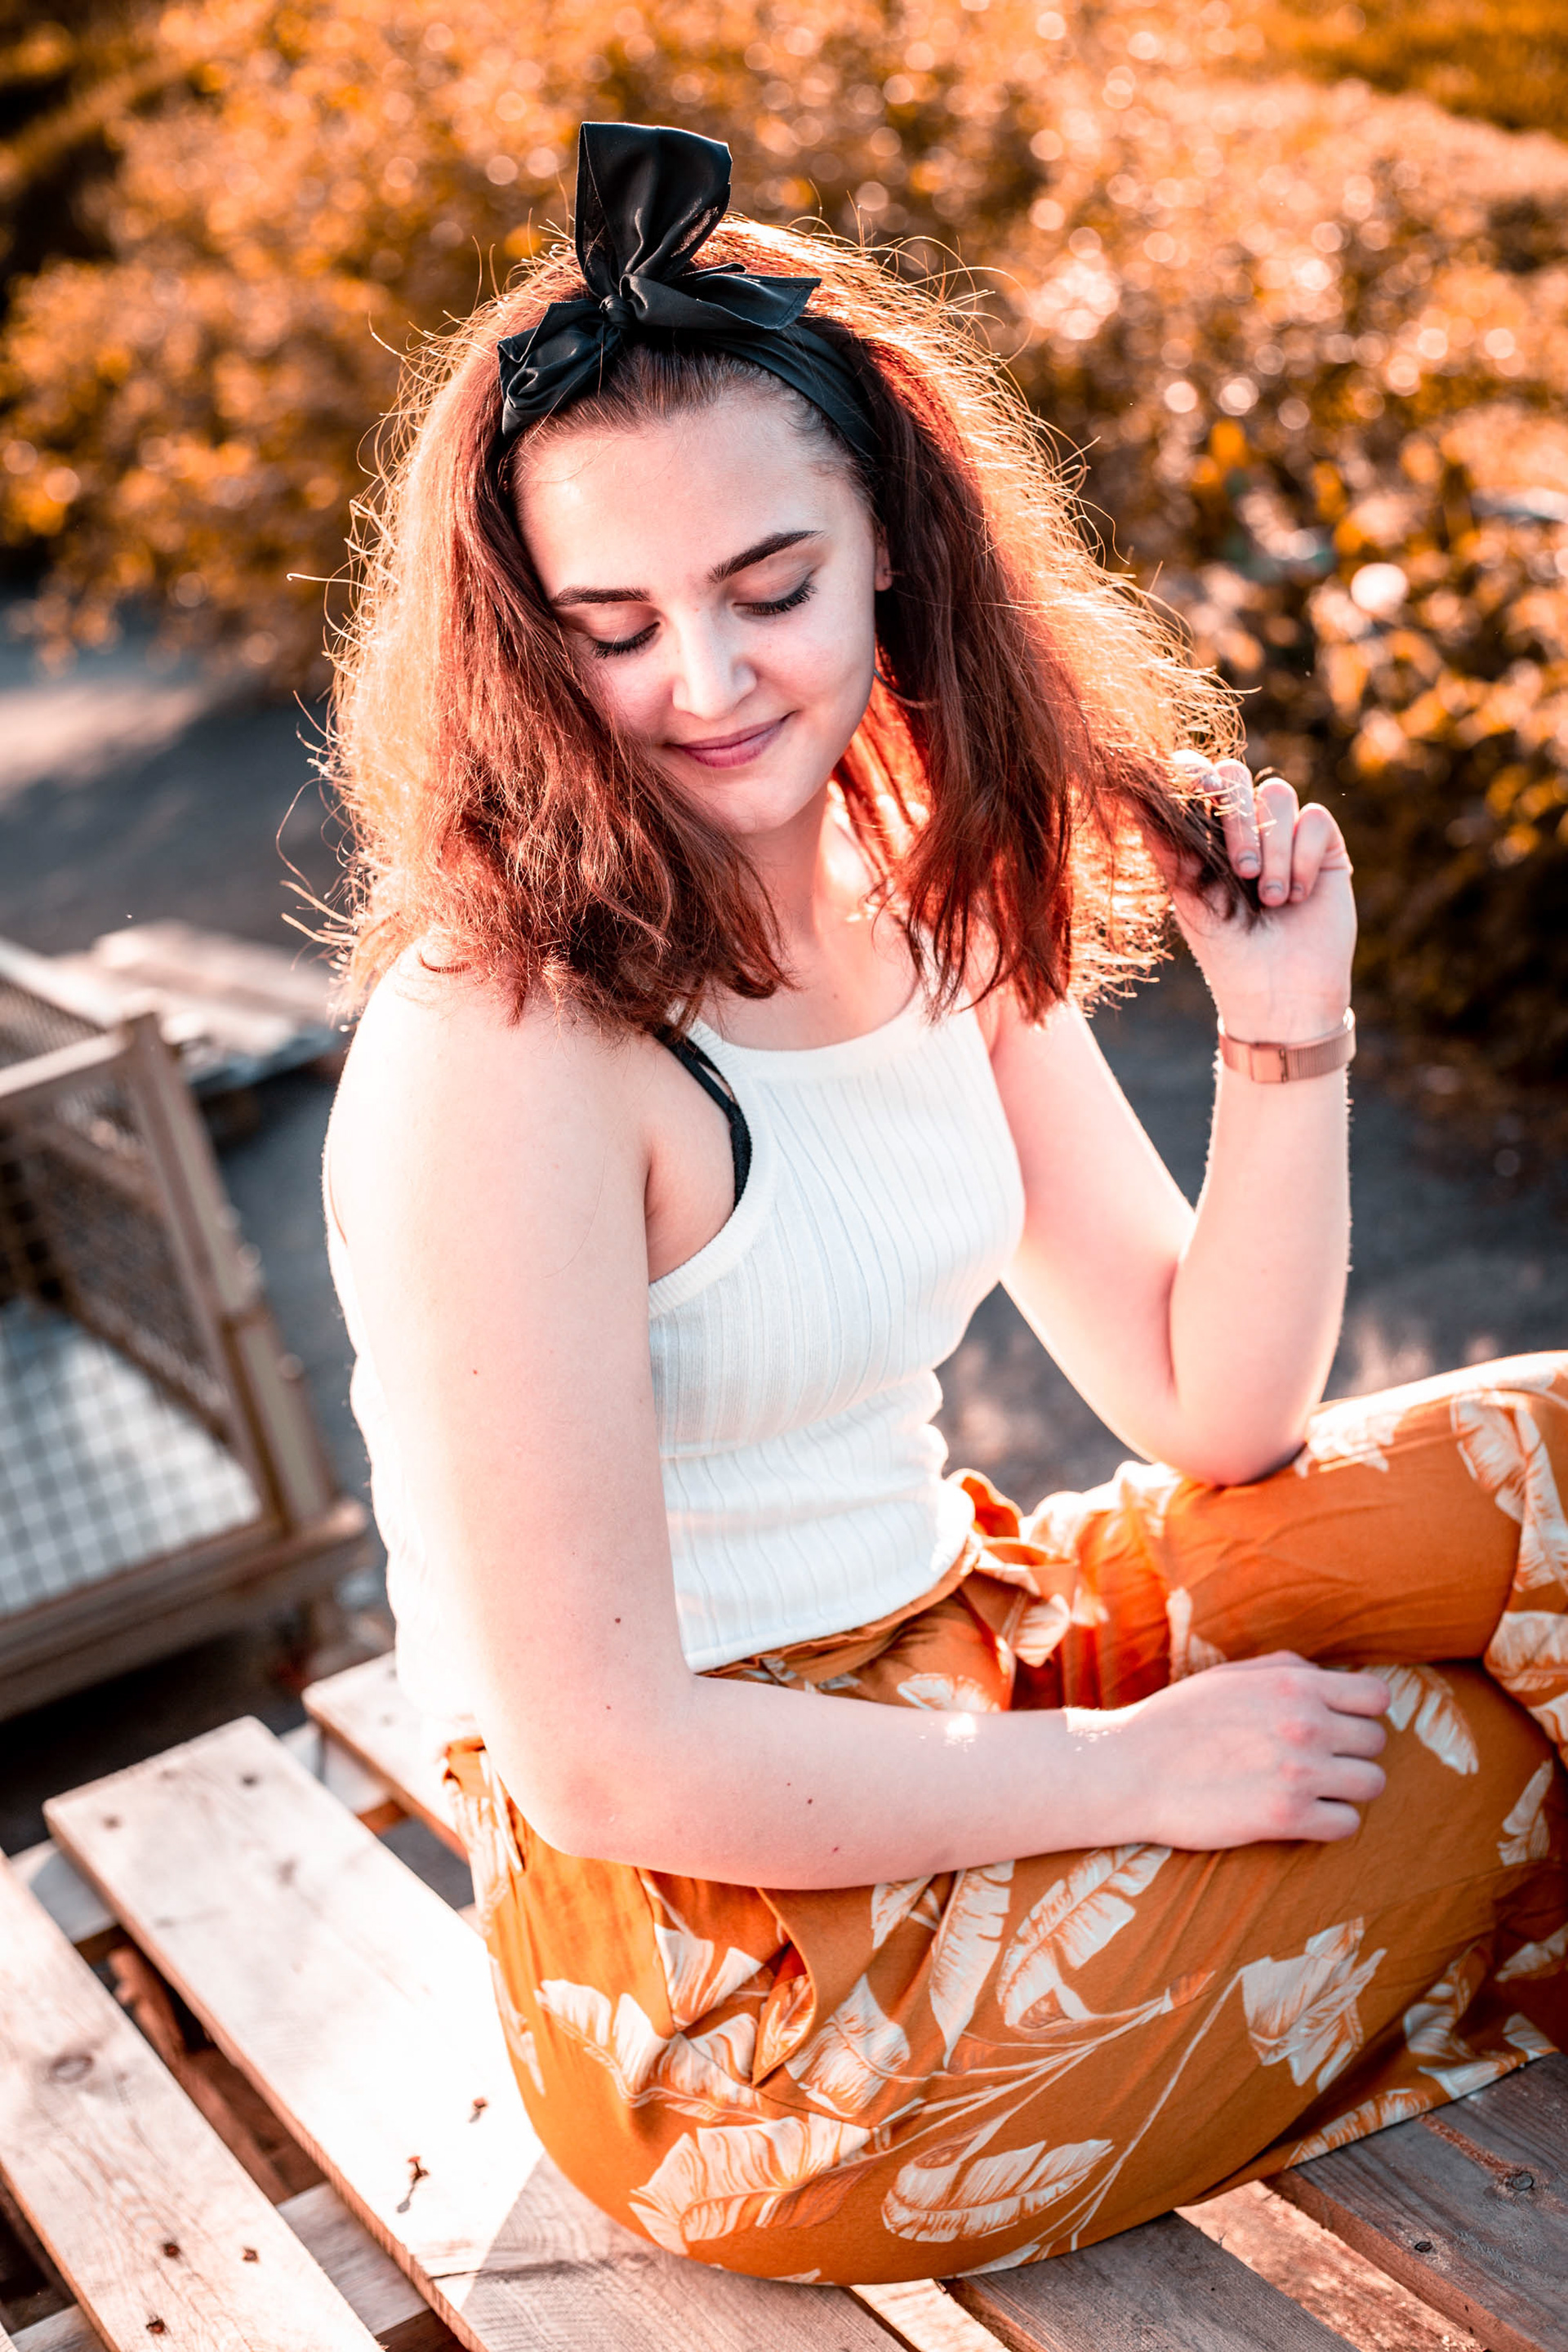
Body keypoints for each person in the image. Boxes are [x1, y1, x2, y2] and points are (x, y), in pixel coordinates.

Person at [322, 122, 1568, 2284]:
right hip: (736, 1987)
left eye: (769, 590)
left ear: (891, 542)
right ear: (526, 636)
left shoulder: (910, 884)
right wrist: (1143, 1774)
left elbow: (1208, 1402)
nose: (708, 684)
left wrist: (1289, 1029)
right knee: (1468, 1767)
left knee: (1547, 1470)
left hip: (970, 1665)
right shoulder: (501, 1052)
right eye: (614, 626)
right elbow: (608, 1761)